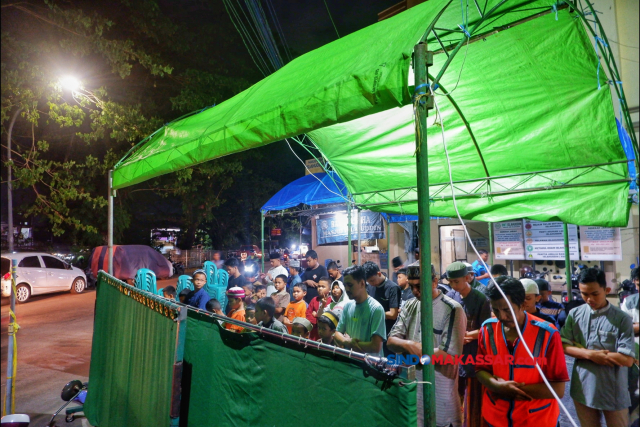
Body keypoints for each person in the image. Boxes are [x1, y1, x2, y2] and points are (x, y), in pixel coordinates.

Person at [476, 277, 569, 427]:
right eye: (495, 310)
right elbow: (480, 369)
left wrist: (510, 390)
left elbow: (557, 389)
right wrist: (495, 385)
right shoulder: (487, 330)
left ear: (523, 304)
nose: (502, 317)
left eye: (507, 310)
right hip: (496, 418)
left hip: (536, 419)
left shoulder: (547, 333)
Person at [388, 264, 466, 427]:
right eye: (412, 286)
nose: (415, 291)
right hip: (414, 395)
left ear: (435, 282)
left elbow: (449, 357)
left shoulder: (452, 309)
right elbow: (391, 341)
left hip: (441, 396)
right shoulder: (410, 305)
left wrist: (411, 352)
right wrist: (413, 345)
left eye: (419, 286)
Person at [561, 267, 635, 427]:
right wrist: (591, 355)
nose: (589, 299)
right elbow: (563, 344)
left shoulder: (621, 319)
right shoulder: (575, 314)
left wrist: (580, 351)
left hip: (613, 390)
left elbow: (627, 359)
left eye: (595, 294)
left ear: (606, 290)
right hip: (582, 389)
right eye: (584, 294)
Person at [445, 261, 492, 427]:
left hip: (472, 354)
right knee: (453, 397)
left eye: (456, 281)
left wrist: (467, 335)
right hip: (453, 355)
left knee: (471, 400)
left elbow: (487, 329)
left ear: (467, 278)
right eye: (450, 282)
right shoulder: (450, 297)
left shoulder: (481, 299)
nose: (453, 285)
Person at [333, 265, 386, 357]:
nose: (347, 289)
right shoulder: (348, 306)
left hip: (369, 366)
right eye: (345, 285)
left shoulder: (376, 308)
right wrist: (347, 341)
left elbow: (375, 346)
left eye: (350, 285)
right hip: (351, 363)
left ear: (362, 283)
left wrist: (349, 343)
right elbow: (337, 333)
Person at [363, 261, 400, 356]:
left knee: (388, 361)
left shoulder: (392, 288)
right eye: (368, 282)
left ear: (379, 273)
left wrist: (375, 313)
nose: (371, 284)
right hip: (373, 332)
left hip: (388, 332)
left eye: (372, 280)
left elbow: (393, 314)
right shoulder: (371, 287)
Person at [306, 276, 332, 341]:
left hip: (326, 334)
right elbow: (308, 314)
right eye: (319, 286)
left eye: (323, 287)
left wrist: (316, 315)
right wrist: (317, 321)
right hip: (313, 333)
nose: (320, 288)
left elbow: (328, 318)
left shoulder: (331, 301)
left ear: (330, 289)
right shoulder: (314, 300)